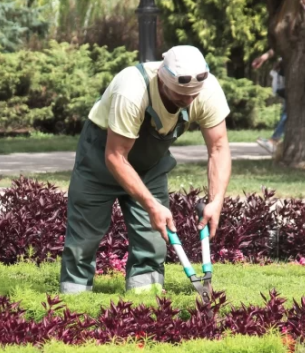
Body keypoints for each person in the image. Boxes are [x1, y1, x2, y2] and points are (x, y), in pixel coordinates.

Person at [59, 45, 232, 294]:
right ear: (162, 80)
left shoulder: (207, 90)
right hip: (101, 160)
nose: (188, 101)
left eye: (193, 96)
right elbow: (115, 156)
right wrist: (151, 205)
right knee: (84, 239)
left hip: (150, 166)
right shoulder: (132, 90)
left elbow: (218, 147)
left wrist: (216, 201)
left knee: (152, 240)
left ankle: (146, 304)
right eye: (180, 95)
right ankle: (73, 304)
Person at [253, 0, 305, 154]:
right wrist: (266, 57)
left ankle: (275, 140)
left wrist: (299, 30)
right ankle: (279, 141)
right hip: (294, 65)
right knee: (290, 103)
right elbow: (287, 42)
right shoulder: (300, 14)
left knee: (292, 104)